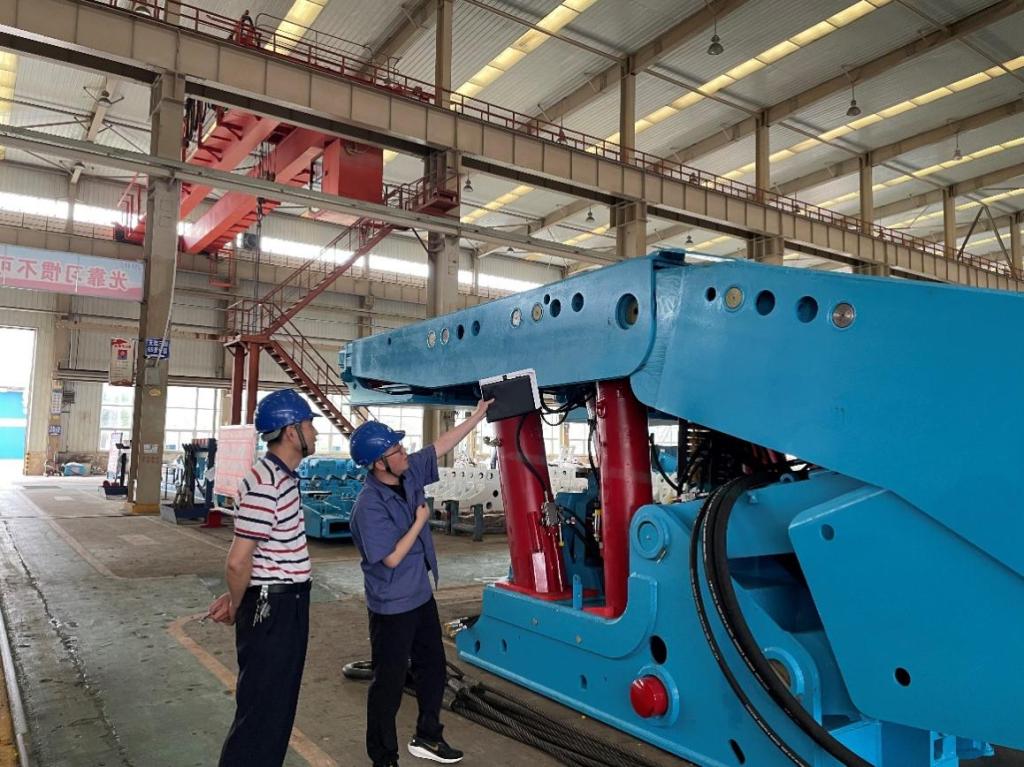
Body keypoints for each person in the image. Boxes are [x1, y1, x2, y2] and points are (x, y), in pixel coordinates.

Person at [350, 401, 492, 767]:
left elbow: (441, 445)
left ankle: (428, 736)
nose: (404, 452)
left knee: (433, 667)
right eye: (396, 450)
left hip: (419, 595)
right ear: (379, 464)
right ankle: (383, 757)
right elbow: (391, 558)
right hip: (391, 605)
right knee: (389, 684)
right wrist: (419, 521)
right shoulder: (368, 506)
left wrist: (477, 416)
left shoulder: (407, 472)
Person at [207, 388, 319, 767]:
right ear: (291, 432)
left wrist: (241, 597)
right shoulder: (267, 483)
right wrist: (239, 604)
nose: (315, 432)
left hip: (284, 603)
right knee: (262, 715)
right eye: (309, 425)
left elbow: (256, 559)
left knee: (275, 711)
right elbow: (238, 561)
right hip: (274, 610)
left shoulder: (282, 478)